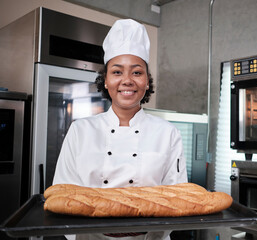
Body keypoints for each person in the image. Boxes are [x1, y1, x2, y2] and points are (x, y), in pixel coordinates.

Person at [52, 19, 188, 240]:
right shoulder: (80, 131)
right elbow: (63, 196)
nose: (127, 80)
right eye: (117, 72)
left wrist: (146, 228)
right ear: (105, 81)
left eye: (136, 72)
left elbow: (176, 200)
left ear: (146, 81)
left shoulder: (168, 133)